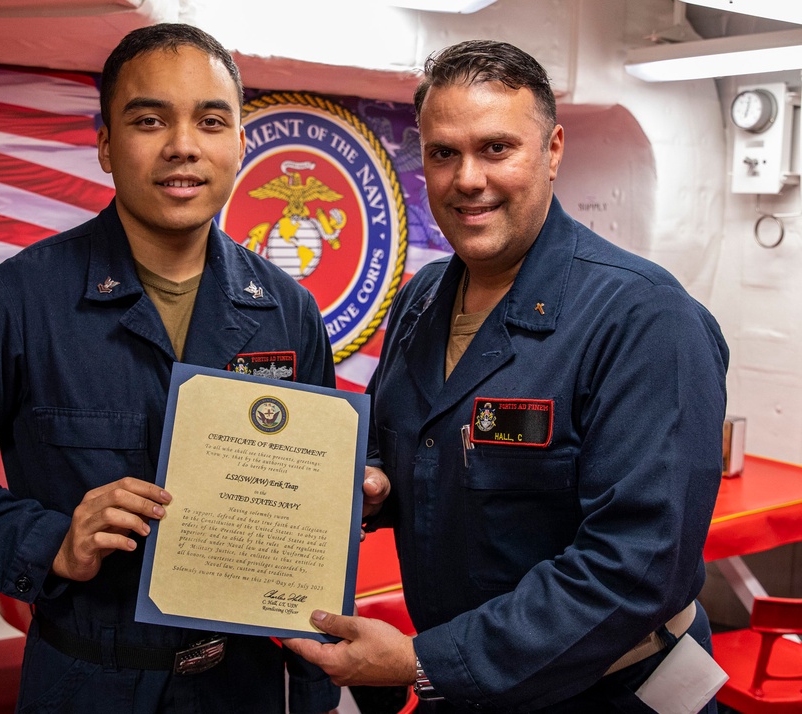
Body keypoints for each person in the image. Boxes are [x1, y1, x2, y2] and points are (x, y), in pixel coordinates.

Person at [0, 23, 340, 714]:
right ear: (104, 143)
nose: (183, 145)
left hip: (242, 687)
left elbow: (312, 530)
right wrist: (52, 542)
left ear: (240, 143)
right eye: (149, 119)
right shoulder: (15, 302)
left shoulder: (288, 311)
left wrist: (310, 696)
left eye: (211, 121)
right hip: (86, 682)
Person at [285, 39, 729, 712]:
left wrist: (422, 660)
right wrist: (375, 484)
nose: (468, 179)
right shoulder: (422, 299)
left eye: (496, 149)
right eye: (443, 153)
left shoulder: (645, 320)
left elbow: (637, 566)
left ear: (551, 150)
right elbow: (406, 444)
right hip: (468, 688)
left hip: (608, 694)